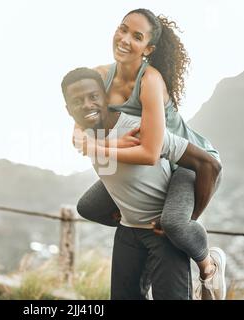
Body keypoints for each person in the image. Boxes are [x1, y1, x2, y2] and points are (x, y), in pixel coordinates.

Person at [71, 8, 225, 300]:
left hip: (188, 162)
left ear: (148, 48)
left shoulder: (150, 80)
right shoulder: (101, 75)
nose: (125, 39)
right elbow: (79, 129)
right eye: (123, 28)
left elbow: (150, 152)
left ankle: (208, 265)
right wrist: (93, 144)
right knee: (90, 206)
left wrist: (183, 222)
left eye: (137, 36)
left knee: (174, 225)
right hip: (159, 162)